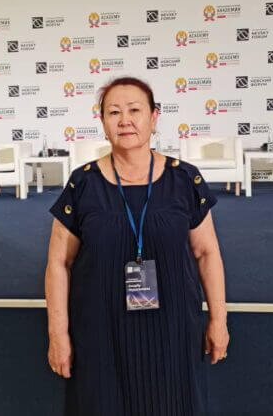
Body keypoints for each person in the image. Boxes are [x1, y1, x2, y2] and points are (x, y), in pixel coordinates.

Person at [45, 76, 229, 416]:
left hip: (172, 330)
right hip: (101, 332)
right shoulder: (83, 183)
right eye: (113, 112)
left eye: (134, 110)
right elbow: (59, 263)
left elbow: (207, 253)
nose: (124, 120)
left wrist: (219, 320)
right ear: (102, 122)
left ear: (154, 117)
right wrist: (58, 334)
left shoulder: (184, 179)